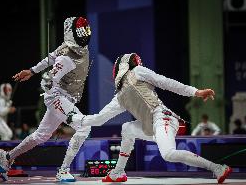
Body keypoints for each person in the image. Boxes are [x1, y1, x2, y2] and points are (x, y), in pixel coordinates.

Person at [69, 53, 232, 184]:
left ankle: (218, 168)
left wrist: (195, 91)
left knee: (168, 154)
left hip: (163, 118)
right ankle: (118, 172)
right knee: (126, 129)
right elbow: (99, 119)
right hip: (151, 127)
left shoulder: (138, 72)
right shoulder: (119, 98)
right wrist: (76, 119)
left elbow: (166, 82)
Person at [0, 16, 92, 182]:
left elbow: (50, 57)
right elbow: (47, 80)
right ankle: (63, 170)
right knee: (84, 127)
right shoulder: (66, 57)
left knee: (40, 136)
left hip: (65, 98)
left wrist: (31, 70)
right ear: (72, 33)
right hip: (57, 97)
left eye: (85, 31)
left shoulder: (75, 47)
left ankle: (8, 156)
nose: (84, 35)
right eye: (80, 31)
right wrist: (53, 92)